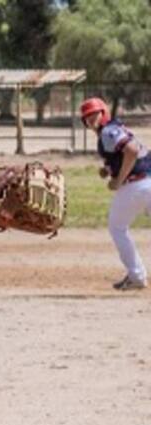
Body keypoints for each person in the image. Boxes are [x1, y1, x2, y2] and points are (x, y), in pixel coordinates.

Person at [80, 97, 151, 291]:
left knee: (117, 227)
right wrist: (109, 170)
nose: (91, 118)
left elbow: (132, 151)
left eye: (94, 114)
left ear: (104, 113)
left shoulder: (108, 131)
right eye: (87, 116)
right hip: (147, 180)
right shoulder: (114, 129)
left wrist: (119, 180)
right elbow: (125, 154)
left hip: (136, 186)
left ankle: (136, 276)